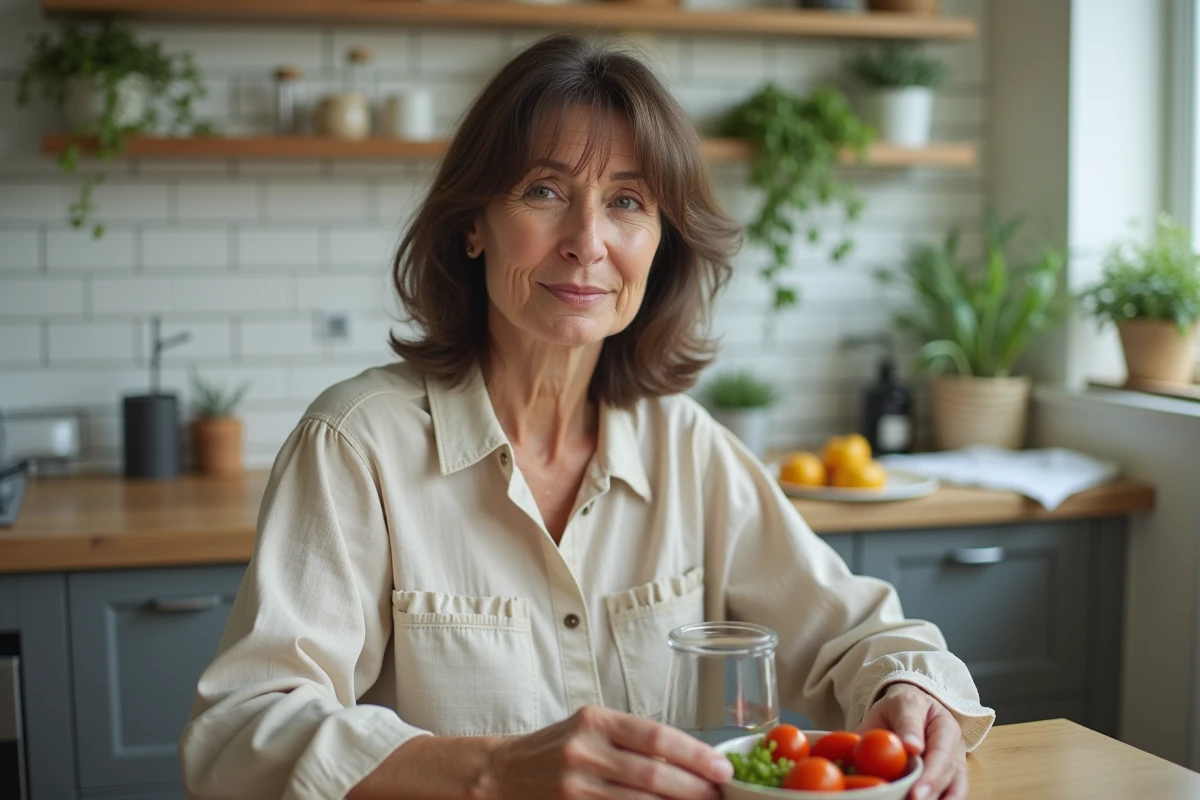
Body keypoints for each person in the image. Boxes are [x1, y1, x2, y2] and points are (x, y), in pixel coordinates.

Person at [180, 34, 993, 800]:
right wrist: (494, 772)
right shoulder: (357, 445)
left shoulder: (684, 444)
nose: (587, 241)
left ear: (660, 242)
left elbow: (859, 634)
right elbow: (240, 732)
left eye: (627, 202)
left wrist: (907, 690)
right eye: (545, 191)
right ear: (473, 224)